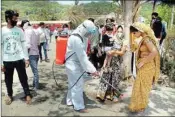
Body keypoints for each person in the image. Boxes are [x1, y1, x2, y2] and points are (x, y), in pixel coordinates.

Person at [65, 20, 99, 113]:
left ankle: (70, 101)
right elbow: (82, 57)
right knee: (77, 85)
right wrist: (93, 70)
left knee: (73, 84)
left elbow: (83, 55)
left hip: (76, 63)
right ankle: (78, 106)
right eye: (88, 32)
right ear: (84, 29)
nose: (89, 35)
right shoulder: (76, 38)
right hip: (73, 64)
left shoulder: (82, 36)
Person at [1, 10, 32, 105]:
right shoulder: (2, 31)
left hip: (19, 59)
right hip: (7, 60)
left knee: (23, 78)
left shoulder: (19, 30)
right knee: (8, 79)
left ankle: (27, 94)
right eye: (14, 19)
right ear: (8, 19)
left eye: (17, 18)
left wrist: (26, 58)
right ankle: (9, 95)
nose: (16, 20)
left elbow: (24, 45)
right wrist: (1, 63)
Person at [128, 22, 160, 113]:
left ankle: (140, 106)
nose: (133, 35)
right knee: (140, 86)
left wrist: (142, 62)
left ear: (140, 31)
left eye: (134, 33)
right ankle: (140, 105)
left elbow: (154, 52)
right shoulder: (144, 39)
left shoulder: (146, 40)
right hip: (145, 66)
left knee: (143, 87)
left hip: (147, 66)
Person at [96, 25, 127, 102]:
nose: (119, 33)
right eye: (118, 31)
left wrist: (114, 51)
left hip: (116, 61)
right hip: (110, 59)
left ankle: (112, 94)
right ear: (116, 31)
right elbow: (107, 46)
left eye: (121, 31)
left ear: (123, 32)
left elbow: (122, 52)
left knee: (115, 78)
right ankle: (101, 94)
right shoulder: (113, 38)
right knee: (106, 76)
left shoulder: (125, 41)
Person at [21, 20, 40, 90]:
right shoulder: (36, 31)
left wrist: (26, 58)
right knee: (35, 71)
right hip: (36, 53)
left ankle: (36, 86)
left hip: (31, 54)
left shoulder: (27, 32)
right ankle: (34, 84)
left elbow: (27, 45)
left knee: (35, 71)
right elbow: (38, 43)